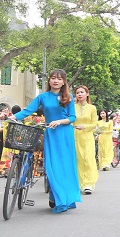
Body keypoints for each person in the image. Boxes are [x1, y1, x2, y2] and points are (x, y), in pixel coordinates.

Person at [8, 69, 81, 213]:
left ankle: (60, 198)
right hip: (51, 134)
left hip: (65, 134)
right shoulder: (43, 97)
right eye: (53, 78)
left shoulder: (69, 97)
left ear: (64, 82)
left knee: (65, 166)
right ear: (49, 81)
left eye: (59, 79)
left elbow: (73, 117)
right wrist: (13, 117)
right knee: (51, 166)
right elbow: (28, 110)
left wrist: (59, 122)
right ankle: (56, 195)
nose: (56, 81)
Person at [74, 86, 98, 194]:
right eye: (77, 92)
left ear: (87, 94)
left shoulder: (92, 108)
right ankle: (80, 183)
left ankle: (88, 184)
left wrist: (85, 126)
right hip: (75, 136)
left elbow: (94, 124)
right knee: (78, 159)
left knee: (88, 159)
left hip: (87, 136)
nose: (79, 94)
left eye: (82, 92)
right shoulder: (72, 107)